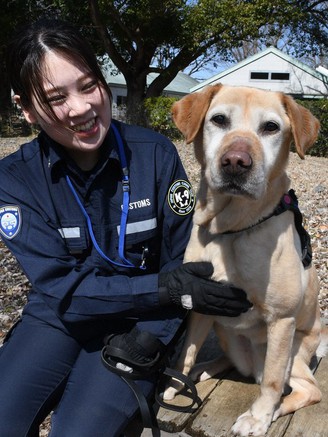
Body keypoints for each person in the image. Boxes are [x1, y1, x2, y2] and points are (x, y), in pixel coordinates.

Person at [0, 18, 251, 437]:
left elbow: (182, 263)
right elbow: (64, 288)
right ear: (26, 108)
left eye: (88, 85)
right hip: (61, 317)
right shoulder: (14, 180)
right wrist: (167, 289)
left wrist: (158, 332)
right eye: (56, 97)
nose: (81, 108)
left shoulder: (154, 154)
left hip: (142, 320)